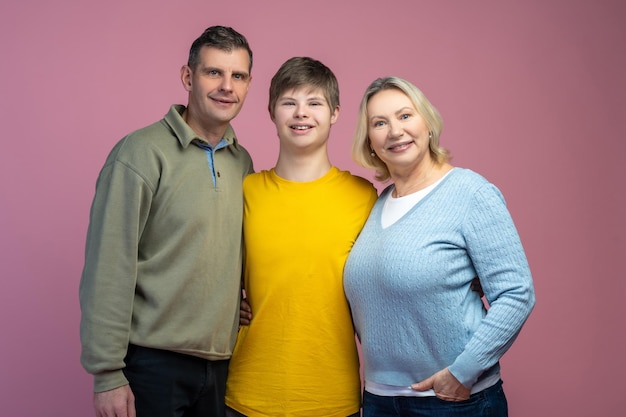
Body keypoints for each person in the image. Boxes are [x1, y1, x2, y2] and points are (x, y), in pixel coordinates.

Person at [79, 26, 254, 417]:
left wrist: (231, 302)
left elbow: (214, 251)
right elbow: (110, 264)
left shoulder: (242, 163)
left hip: (222, 365)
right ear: (188, 77)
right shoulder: (140, 153)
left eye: (237, 76)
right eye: (214, 73)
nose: (227, 86)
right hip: (152, 365)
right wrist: (107, 374)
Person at [343, 76, 536, 417]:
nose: (394, 131)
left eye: (405, 116)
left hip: (454, 403)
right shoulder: (374, 205)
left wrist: (463, 373)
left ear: (428, 125)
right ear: (370, 141)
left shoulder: (470, 193)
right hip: (378, 401)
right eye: (380, 123)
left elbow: (517, 293)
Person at [224, 57, 378, 417]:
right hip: (248, 395)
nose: (301, 114)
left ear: (335, 112)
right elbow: (209, 261)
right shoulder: (247, 190)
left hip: (333, 397)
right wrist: (226, 304)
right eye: (289, 102)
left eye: (314, 103)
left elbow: (389, 279)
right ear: (271, 112)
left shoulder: (363, 197)